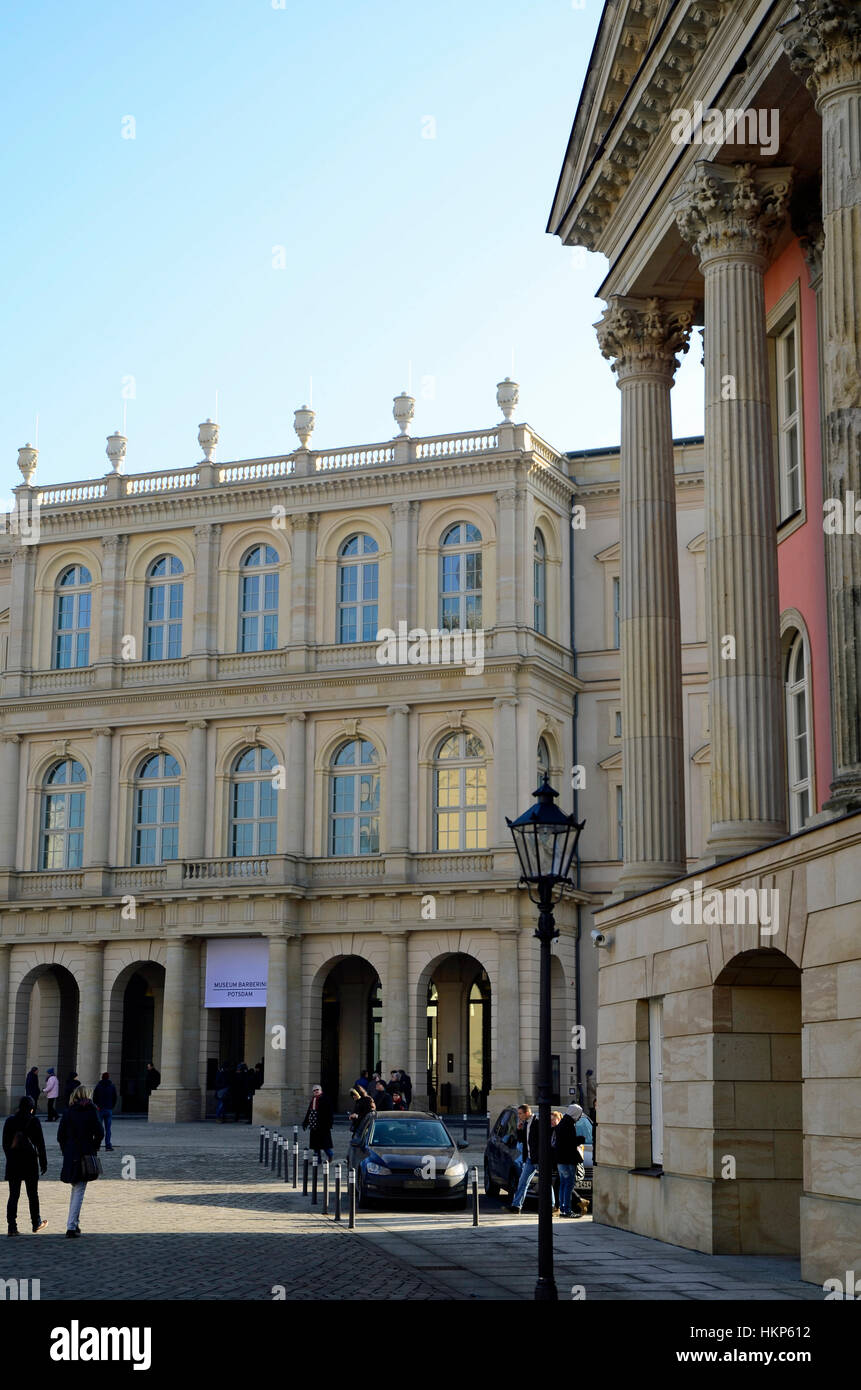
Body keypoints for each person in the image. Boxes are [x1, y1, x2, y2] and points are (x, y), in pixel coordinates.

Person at [57, 1085, 104, 1238]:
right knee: (79, 1189)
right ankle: (71, 1227)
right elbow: (100, 1132)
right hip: (85, 1152)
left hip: (71, 1153)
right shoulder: (91, 1110)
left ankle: (74, 1224)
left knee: (76, 1187)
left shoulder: (69, 1111)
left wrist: (67, 1150)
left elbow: (60, 1136)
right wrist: (94, 1146)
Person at [3, 1096, 48, 1235]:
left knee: (13, 1195)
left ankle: (12, 1227)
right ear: (31, 1108)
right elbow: (40, 1144)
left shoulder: (10, 1121)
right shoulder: (34, 1121)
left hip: (14, 1162)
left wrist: (10, 1157)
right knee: (32, 1194)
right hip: (30, 1162)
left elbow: (5, 1144)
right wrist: (43, 1162)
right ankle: (36, 1222)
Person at [506, 1104, 539, 1213]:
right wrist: (519, 1130)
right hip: (529, 1159)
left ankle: (552, 1206)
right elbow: (522, 1141)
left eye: (520, 1113)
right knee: (522, 1182)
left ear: (527, 1113)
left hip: (538, 1158)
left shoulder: (537, 1121)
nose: (519, 1116)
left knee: (545, 1183)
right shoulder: (525, 1123)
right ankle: (516, 1206)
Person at [302, 1084, 334, 1161]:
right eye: (314, 1090)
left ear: (321, 1091)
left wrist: (329, 1124)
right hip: (314, 1125)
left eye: (317, 1090)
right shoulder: (313, 1099)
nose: (316, 1091)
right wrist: (305, 1122)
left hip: (323, 1125)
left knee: (325, 1144)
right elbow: (309, 1112)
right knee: (315, 1145)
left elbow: (329, 1113)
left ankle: (330, 1155)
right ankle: (317, 1160)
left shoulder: (325, 1099)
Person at [92, 1073, 118, 1152]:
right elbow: (115, 1098)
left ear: (102, 1077)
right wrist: (111, 1106)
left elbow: (94, 1098)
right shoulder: (112, 1086)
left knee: (98, 1129)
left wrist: (97, 1106)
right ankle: (108, 1145)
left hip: (100, 1109)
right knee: (108, 1129)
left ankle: (97, 1146)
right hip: (108, 1109)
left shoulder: (98, 1086)